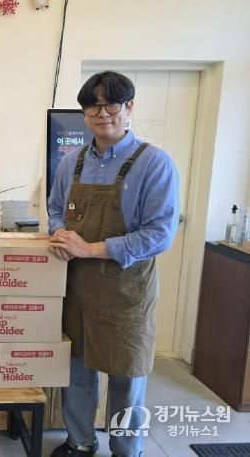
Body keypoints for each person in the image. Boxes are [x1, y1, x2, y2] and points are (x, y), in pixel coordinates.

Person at [47, 71, 180, 457]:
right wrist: (59, 232)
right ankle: (80, 441)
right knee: (77, 370)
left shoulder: (154, 163)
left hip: (128, 292)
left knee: (127, 377)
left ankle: (126, 449)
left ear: (129, 106)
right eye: (92, 106)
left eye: (110, 104)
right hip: (77, 289)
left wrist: (89, 248)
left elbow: (159, 234)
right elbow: (55, 210)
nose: (101, 113)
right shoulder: (71, 163)